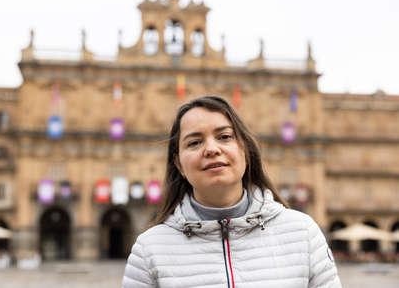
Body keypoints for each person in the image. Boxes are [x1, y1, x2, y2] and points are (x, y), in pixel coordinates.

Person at [123, 95, 341, 288]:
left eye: (225, 137)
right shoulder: (148, 250)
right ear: (179, 164)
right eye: (195, 142)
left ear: (245, 150)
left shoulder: (303, 234)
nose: (211, 149)